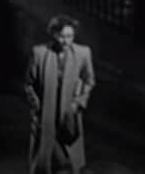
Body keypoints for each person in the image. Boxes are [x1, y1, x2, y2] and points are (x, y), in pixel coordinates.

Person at [25, 15, 95, 174]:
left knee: (70, 159)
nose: (65, 41)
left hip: (68, 113)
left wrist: (77, 103)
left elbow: (89, 81)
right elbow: (29, 83)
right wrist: (37, 106)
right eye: (61, 36)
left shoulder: (83, 53)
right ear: (54, 34)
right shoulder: (39, 53)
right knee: (44, 158)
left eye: (69, 36)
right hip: (46, 112)